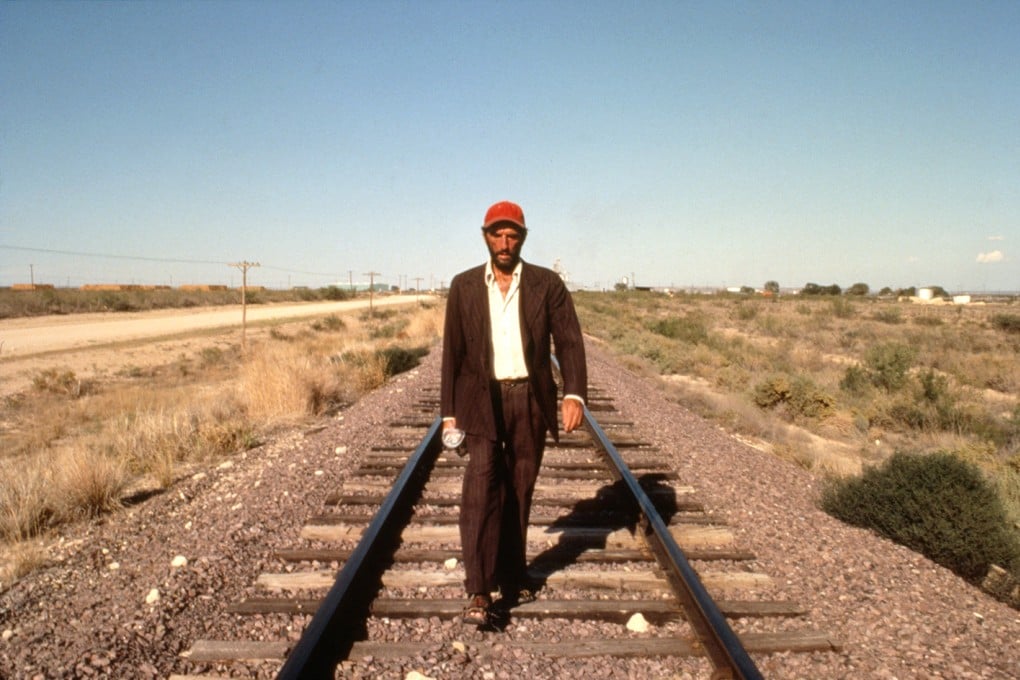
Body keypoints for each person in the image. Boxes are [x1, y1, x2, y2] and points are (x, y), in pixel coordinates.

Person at [440, 200, 588, 626]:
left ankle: (511, 571)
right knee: (481, 486)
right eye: (497, 234)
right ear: (485, 236)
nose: (504, 243)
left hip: (529, 399)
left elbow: (570, 341)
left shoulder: (547, 284)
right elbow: (453, 352)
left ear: (522, 238)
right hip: (479, 401)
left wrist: (573, 394)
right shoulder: (464, 285)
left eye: (512, 235)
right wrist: (449, 414)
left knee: (520, 487)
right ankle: (479, 591)